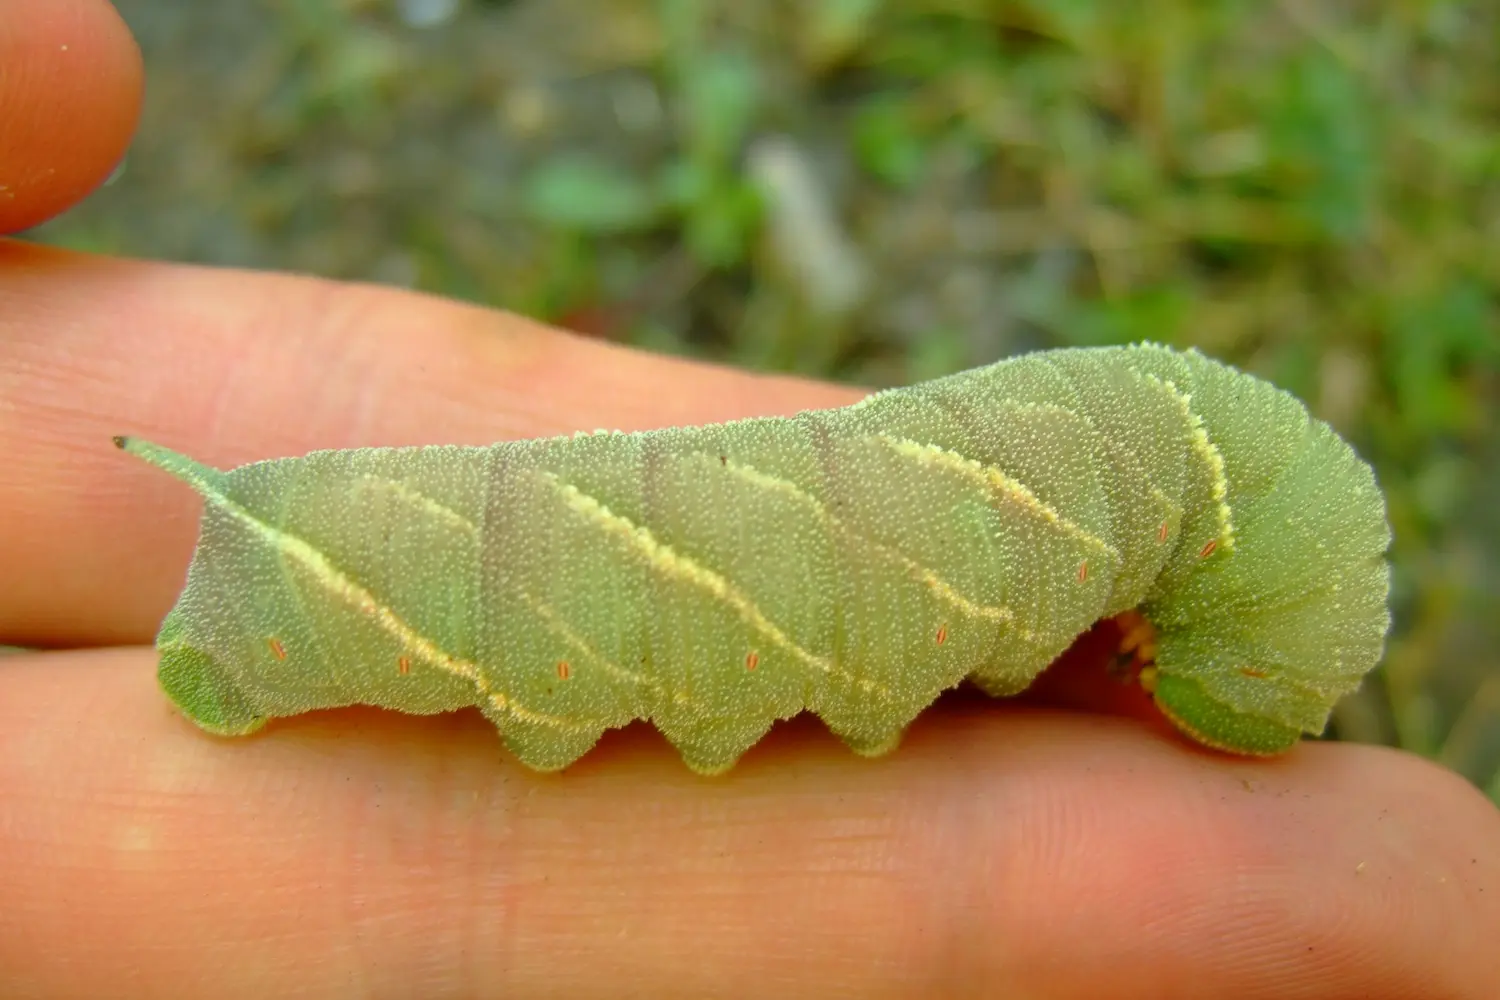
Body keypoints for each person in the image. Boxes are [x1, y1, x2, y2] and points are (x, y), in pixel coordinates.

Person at [1, 2, 1496, 996]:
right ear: (1215, 560)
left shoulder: (1087, 472)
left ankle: (289, 556)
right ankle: (283, 584)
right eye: (1232, 671)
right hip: (348, 573)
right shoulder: (1081, 489)